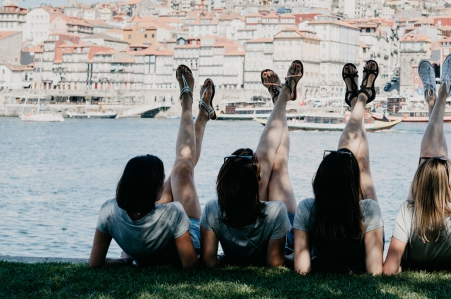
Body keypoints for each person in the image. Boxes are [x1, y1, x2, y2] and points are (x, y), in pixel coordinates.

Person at [89, 65, 216, 268]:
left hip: (148, 237)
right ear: (155, 191)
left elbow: (95, 264)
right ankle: (191, 106)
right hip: (185, 240)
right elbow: (191, 265)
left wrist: (127, 260)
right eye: (160, 181)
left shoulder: (109, 210)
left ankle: (198, 111)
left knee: (182, 166)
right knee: (183, 166)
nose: (164, 184)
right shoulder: (174, 212)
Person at [383, 54, 451, 275]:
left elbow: (390, 269)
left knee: (433, 162)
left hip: (417, 231)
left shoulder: (408, 212)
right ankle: (439, 97)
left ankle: (436, 99)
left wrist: (400, 269)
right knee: (437, 163)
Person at [198, 61, 302, 268]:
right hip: (281, 239)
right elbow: (276, 261)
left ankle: (281, 99)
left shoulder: (212, 210)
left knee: (272, 160)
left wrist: (230, 259)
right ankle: (282, 97)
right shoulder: (277, 211)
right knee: (278, 166)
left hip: (255, 220)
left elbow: (209, 261)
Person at [293, 60, 384, 275]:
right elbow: (375, 272)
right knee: (361, 165)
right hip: (365, 246)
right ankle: (361, 98)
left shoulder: (307, 208)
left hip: (345, 236)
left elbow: (302, 269)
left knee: (354, 160)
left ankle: (357, 101)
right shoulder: (369, 209)